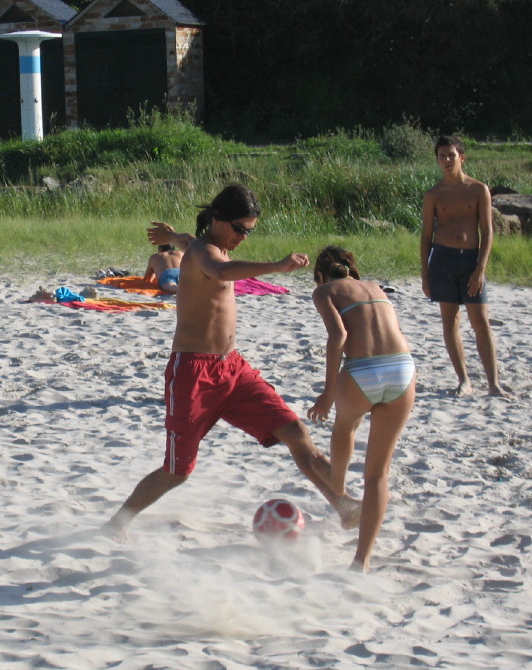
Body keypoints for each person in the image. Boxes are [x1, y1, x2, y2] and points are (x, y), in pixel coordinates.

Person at [105, 184, 362, 540]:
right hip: (193, 374)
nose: (243, 236)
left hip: (234, 369)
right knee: (177, 471)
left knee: (296, 434)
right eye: (239, 228)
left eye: (250, 231)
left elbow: (186, 239)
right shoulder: (204, 254)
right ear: (217, 218)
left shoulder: (200, 245)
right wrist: (277, 266)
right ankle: (117, 523)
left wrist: (171, 235)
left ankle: (345, 506)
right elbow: (219, 270)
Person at [306, 246, 416, 573]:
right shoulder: (375, 287)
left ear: (321, 275)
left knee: (345, 427)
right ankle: (361, 561)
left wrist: (327, 393)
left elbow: (338, 336)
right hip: (402, 368)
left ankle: (340, 491)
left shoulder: (324, 291)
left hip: (362, 370)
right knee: (378, 474)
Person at [421, 135, 507, 396]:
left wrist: (480, 268)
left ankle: (493, 383)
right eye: (442, 156)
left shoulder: (478, 189)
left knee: (480, 321)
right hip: (442, 260)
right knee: (450, 321)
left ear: (461, 158)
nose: (447, 160)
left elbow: (487, 231)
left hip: (470, 259)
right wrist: (425, 274)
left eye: (451, 155)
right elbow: (426, 236)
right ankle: (464, 380)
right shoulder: (434, 194)